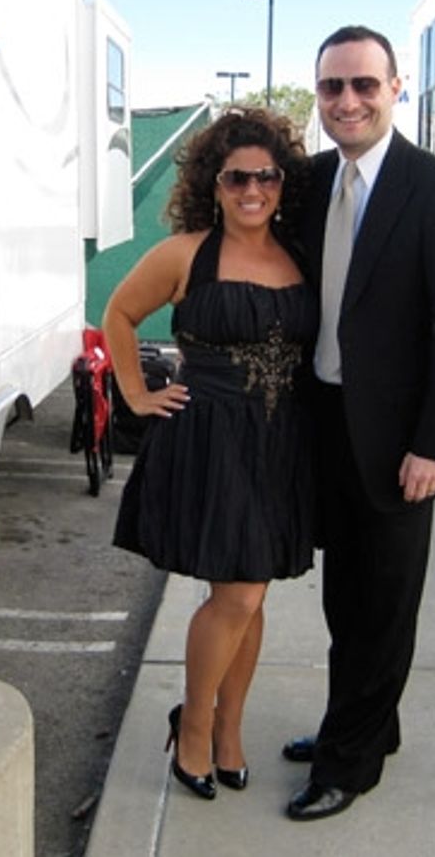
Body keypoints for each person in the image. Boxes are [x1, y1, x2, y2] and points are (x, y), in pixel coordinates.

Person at [282, 26, 435, 821]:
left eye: (365, 85)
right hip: (325, 423)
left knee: (384, 602)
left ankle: (349, 763)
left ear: (396, 89)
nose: (348, 101)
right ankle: (367, 724)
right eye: (332, 87)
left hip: (402, 441)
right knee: (346, 599)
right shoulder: (308, 183)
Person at [104, 108, 318, 801]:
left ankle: (228, 731)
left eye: (265, 175)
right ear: (213, 182)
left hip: (281, 442)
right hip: (212, 441)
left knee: (252, 599)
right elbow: (119, 314)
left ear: (283, 181)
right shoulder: (185, 254)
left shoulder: (298, 254)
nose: (251, 189)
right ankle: (194, 727)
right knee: (240, 592)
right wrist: (135, 394)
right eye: (236, 177)